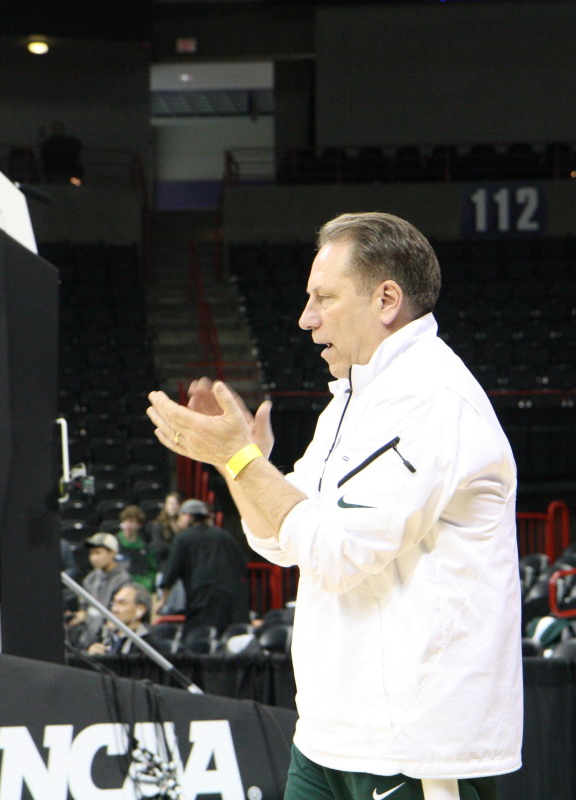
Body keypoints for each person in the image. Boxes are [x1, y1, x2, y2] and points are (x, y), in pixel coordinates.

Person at [147, 212, 521, 799]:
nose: (306, 318)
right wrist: (236, 462)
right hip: (329, 732)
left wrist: (245, 463)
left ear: (386, 299)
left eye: (323, 297)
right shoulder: (352, 396)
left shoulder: (432, 400)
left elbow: (337, 552)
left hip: (411, 744)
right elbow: (277, 540)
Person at [155, 499, 250, 631]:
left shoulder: (183, 538)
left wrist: (162, 601)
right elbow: (243, 566)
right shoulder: (224, 536)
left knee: (201, 643)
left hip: (201, 603)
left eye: (179, 516)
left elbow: (171, 572)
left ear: (187, 515)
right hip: (232, 605)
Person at [66, 532, 132, 650]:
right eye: (91, 553)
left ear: (112, 553)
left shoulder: (123, 579)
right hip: (88, 633)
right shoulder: (90, 579)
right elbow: (84, 608)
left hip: (107, 634)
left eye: (98, 553)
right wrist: (79, 616)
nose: (93, 558)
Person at [87, 582, 154, 656]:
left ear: (140, 610)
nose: (114, 609)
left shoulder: (149, 643)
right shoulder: (103, 635)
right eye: (114, 603)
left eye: (122, 603)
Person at [116, 505, 157, 591]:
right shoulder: (115, 543)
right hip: (120, 585)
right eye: (126, 521)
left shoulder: (145, 546)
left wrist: (149, 582)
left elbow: (152, 568)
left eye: (132, 522)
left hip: (141, 586)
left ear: (139, 525)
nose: (128, 525)